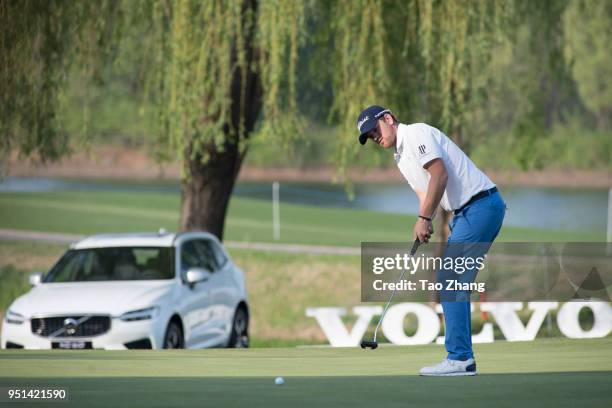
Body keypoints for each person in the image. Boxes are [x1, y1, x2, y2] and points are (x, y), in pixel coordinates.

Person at [357, 105, 505, 376]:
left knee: (449, 278)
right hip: (467, 213)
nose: (374, 138)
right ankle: (462, 358)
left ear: (388, 119)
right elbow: (425, 194)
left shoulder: (415, 134)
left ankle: (460, 358)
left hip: (481, 206)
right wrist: (424, 220)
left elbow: (440, 175)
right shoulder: (400, 157)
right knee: (453, 280)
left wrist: (424, 218)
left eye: (374, 130)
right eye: (369, 137)